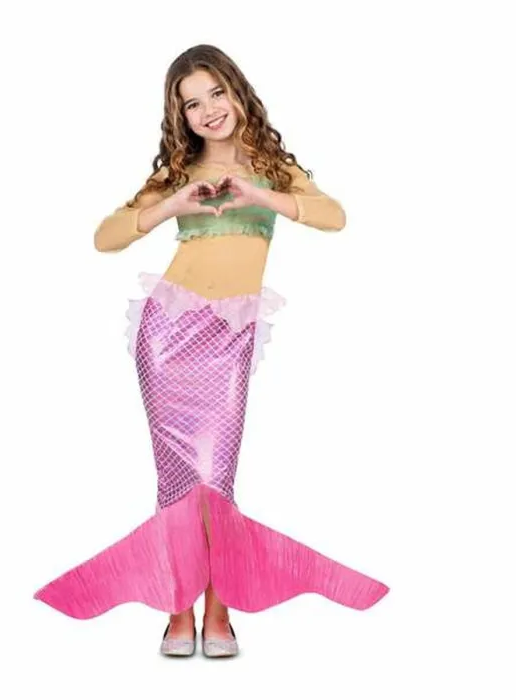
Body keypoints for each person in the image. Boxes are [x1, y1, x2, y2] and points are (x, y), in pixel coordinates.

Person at [33, 44, 389, 658]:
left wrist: (261, 196)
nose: (208, 110)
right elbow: (104, 237)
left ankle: (219, 608)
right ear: (182, 117)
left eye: (215, 93)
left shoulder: (271, 166)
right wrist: (170, 205)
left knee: (217, 477)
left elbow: (334, 216)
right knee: (177, 478)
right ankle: (179, 610)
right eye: (191, 104)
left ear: (237, 92)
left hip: (229, 336)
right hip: (167, 333)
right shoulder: (178, 171)